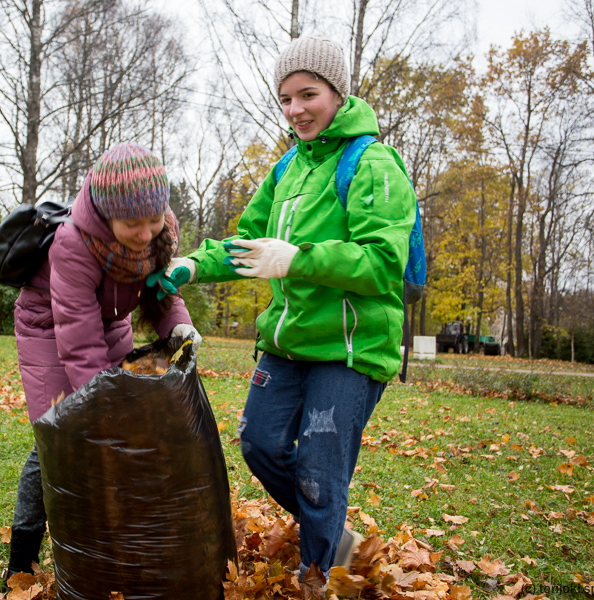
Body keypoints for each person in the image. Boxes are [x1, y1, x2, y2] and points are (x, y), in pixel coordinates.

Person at [149, 35, 416, 578]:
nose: (296, 110)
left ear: (338, 92)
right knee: (260, 445)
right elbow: (248, 244)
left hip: (349, 348)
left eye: (308, 94)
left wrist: (298, 259)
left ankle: (317, 577)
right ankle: (335, 534)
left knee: (320, 471)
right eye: (285, 99)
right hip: (287, 343)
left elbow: (385, 262)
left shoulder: (375, 164)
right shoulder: (287, 169)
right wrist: (194, 264)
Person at [6, 142, 201, 580]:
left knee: (121, 431)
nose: (145, 233)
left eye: (153, 220)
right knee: (59, 437)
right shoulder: (73, 243)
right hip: (48, 328)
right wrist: (100, 400)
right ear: (108, 213)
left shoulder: (161, 231)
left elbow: (159, 290)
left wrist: (178, 328)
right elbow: (75, 332)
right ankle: (22, 556)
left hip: (110, 324)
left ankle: (114, 539)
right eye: (133, 224)